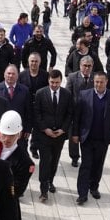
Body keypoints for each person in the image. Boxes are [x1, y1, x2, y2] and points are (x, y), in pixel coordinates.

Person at [71, 71, 110, 204]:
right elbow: (77, 117)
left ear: (107, 82)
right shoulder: (84, 95)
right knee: (86, 165)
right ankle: (82, 193)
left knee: (98, 165)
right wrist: (75, 134)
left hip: (103, 139)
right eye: (96, 81)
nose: (98, 84)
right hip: (87, 138)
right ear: (93, 81)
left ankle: (94, 187)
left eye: (101, 82)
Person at [34, 69, 72, 201]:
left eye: (57, 82)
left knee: (55, 160)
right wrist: (45, 129)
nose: (54, 85)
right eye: (52, 82)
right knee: (45, 162)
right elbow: (37, 114)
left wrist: (63, 129)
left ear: (61, 81)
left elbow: (69, 114)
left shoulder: (67, 94)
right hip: (44, 135)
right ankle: (43, 190)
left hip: (59, 135)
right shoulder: (40, 93)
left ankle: (50, 181)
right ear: (48, 80)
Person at [66, 56, 96, 167]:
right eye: (85, 66)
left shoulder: (95, 78)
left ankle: (87, 156)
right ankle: (74, 157)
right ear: (80, 66)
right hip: (75, 111)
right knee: (73, 135)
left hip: (90, 111)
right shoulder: (72, 77)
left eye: (89, 66)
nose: (87, 68)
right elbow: (68, 94)